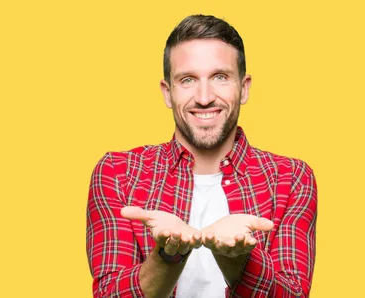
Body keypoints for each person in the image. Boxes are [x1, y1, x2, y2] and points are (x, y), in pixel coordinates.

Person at [85, 14, 317, 298]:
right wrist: (168, 254)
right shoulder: (117, 173)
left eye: (220, 77)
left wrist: (238, 258)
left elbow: (294, 294)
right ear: (167, 93)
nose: (204, 97)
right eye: (188, 80)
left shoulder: (291, 178)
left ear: (244, 88)